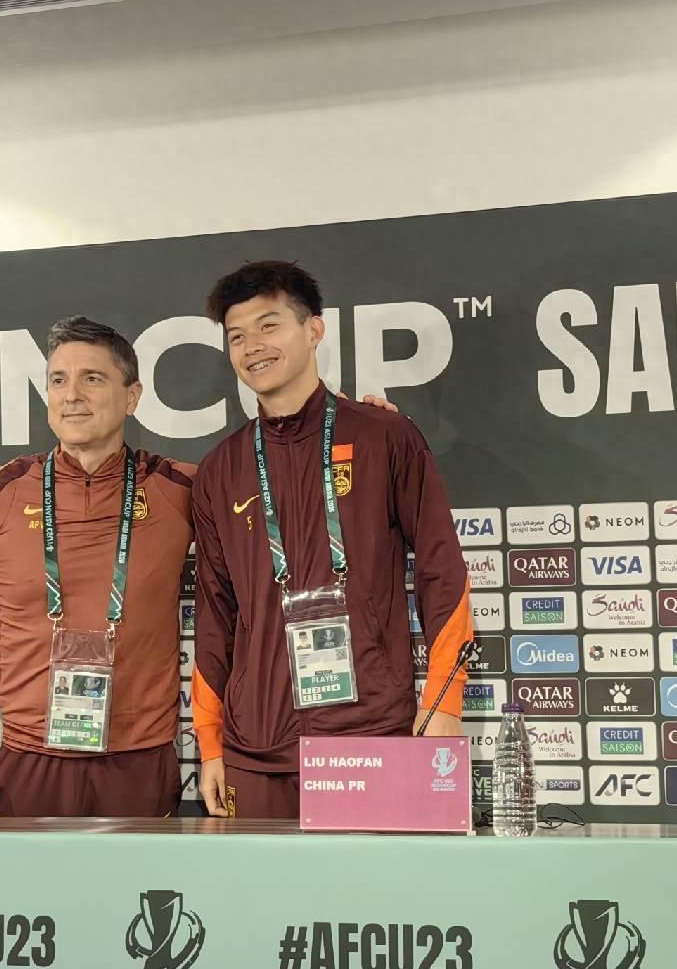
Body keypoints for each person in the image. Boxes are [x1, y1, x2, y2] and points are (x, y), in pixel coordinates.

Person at [191, 261, 473, 819]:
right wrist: (210, 742)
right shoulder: (221, 468)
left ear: (313, 330)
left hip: (371, 733)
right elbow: (215, 613)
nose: (252, 347)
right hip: (257, 747)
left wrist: (444, 701)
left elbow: (442, 569)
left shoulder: (384, 436)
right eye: (237, 336)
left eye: (269, 326)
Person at [0, 317, 194, 817]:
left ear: (132, 396)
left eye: (92, 378)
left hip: (138, 758)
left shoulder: (180, 488)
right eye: (58, 380)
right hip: (21, 759)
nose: (72, 395)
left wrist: (344, 434)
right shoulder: (2, 489)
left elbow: (274, 498)